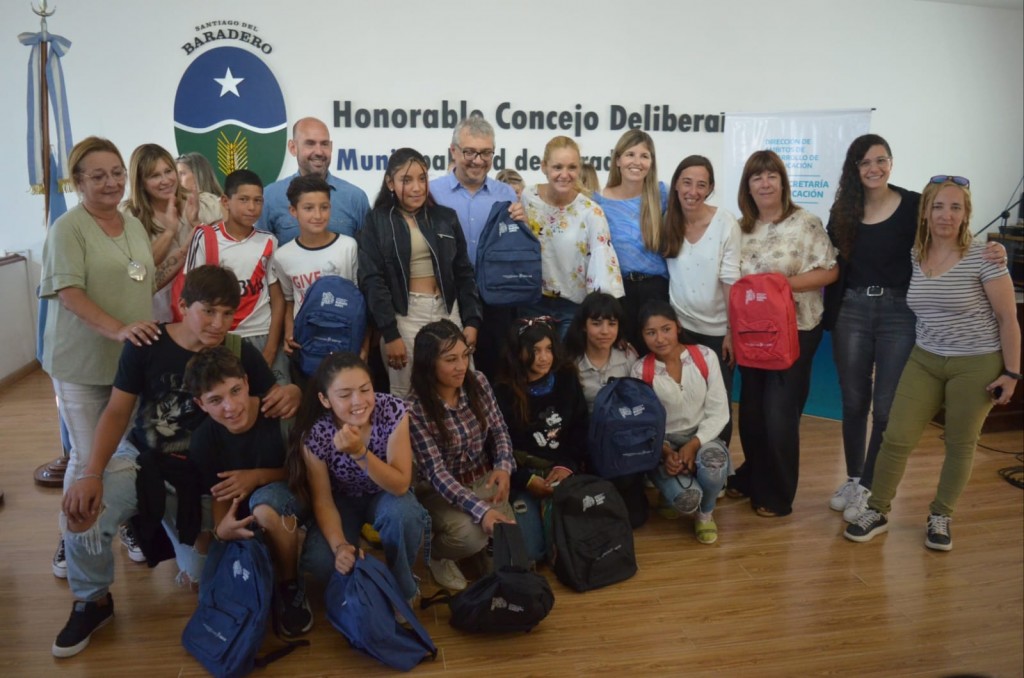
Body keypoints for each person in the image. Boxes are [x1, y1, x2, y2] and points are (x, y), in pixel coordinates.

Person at [52, 265, 300, 658]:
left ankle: (177, 536)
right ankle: (92, 601)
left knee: (204, 578)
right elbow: (117, 412)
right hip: (145, 461)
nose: (218, 324)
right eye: (208, 311)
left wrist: (294, 394)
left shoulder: (237, 351)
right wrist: (90, 473)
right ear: (183, 305)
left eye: (227, 313)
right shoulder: (146, 343)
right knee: (83, 512)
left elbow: (274, 400)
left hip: (207, 479)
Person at [825, 136, 1007, 521]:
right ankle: (854, 478)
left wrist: (994, 249)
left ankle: (872, 485)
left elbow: (947, 236)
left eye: (881, 160)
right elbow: (832, 262)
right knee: (854, 401)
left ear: (891, 163)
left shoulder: (912, 204)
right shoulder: (842, 210)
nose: (873, 168)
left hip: (899, 313)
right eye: (864, 162)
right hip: (853, 310)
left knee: (888, 408)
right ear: (854, 169)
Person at [40, 136, 160, 580]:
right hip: (83, 363)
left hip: (128, 365)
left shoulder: (130, 223)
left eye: (116, 174)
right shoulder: (67, 229)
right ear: (78, 181)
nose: (110, 183)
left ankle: (122, 523)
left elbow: (140, 278)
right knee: (90, 456)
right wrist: (119, 330)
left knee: (123, 453)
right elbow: (70, 295)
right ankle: (70, 535)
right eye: (98, 176)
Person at [728, 150, 838, 518]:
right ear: (748, 186)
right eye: (756, 177)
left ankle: (777, 495)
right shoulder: (740, 228)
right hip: (752, 335)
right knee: (752, 415)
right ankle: (753, 476)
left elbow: (829, 272)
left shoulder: (805, 223)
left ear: (782, 181)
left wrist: (780, 286)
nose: (764, 183)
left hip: (796, 332)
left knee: (779, 416)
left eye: (771, 175)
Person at [184, 346, 312, 639]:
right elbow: (221, 490)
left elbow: (308, 474)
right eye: (215, 400)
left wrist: (256, 477)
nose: (230, 407)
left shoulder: (280, 415)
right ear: (200, 404)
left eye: (235, 391)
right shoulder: (204, 439)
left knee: (264, 506)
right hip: (249, 512)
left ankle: (290, 585)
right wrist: (222, 527)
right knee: (208, 593)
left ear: (247, 382)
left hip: (293, 497)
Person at [288, 352, 429, 604]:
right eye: (344, 395)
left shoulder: (392, 410)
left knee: (405, 514)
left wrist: (359, 453)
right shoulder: (315, 433)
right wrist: (340, 546)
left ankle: (403, 586)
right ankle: (362, 587)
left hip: (384, 493)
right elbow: (323, 500)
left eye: (365, 389)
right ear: (325, 399)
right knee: (322, 562)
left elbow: (399, 485)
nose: (359, 401)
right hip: (342, 500)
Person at [358, 148, 482, 399]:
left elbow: (464, 273)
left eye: (422, 178)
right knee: (408, 393)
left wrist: (471, 321)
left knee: (461, 386)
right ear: (390, 183)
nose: (417, 187)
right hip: (405, 316)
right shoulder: (376, 221)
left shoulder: (445, 217)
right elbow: (372, 280)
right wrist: (390, 333)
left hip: (448, 311)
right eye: (407, 180)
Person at [408, 320, 516, 591]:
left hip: (482, 478)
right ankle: (437, 553)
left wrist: (503, 466)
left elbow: (499, 430)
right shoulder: (414, 408)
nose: (461, 366)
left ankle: (476, 547)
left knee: (509, 550)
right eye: (450, 359)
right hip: (439, 491)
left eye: (465, 356)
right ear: (428, 364)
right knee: (471, 536)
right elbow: (436, 474)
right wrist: (484, 513)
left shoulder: (478, 381)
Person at [431, 116, 523, 380]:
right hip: (447, 297)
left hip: (495, 298)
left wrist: (522, 226)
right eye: (470, 152)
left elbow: (514, 244)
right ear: (453, 151)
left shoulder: (506, 194)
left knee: (495, 372)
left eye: (486, 153)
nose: (478, 160)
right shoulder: (431, 192)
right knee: (446, 372)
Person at [631, 301, 731, 544]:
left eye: (666, 329)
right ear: (642, 336)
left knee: (714, 464)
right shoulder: (640, 370)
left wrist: (694, 445)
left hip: (702, 436)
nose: (660, 338)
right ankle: (670, 490)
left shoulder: (705, 356)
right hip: (662, 444)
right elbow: (643, 424)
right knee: (687, 500)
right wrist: (666, 452)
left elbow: (719, 411)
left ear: (678, 326)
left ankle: (705, 514)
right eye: (650, 332)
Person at [661, 155, 741, 446]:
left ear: (709, 189)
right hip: (680, 328)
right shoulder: (668, 219)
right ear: (676, 185)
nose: (692, 191)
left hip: (718, 332)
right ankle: (682, 465)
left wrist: (732, 331)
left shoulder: (725, 223)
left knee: (717, 406)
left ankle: (715, 467)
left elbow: (730, 281)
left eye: (701, 184)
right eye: (686, 182)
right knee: (683, 403)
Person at [493, 317, 587, 563]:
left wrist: (567, 465)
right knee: (533, 552)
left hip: (561, 469)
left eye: (548, 349)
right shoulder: (503, 391)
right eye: (534, 351)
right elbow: (498, 447)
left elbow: (580, 426)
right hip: (524, 475)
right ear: (518, 352)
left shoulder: (566, 377)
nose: (544, 357)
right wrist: (527, 479)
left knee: (572, 544)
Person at [184, 169, 287, 383]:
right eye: (244, 199)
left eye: (258, 201)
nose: (252, 207)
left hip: (262, 333)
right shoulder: (205, 236)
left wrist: (270, 348)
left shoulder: (269, 241)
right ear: (225, 201)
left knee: (277, 405)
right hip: (219, 336)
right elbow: (192, 293)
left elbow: (278, 299)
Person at [522, 136, 624, 335]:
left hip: (573, 308)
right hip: (531, 302)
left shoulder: (591, 212)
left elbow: (603, 269)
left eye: (572, 167)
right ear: (544, 166)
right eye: (557, 167)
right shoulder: (528, 197)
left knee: (567, 366)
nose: (565, 174)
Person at [124, 143, 223, 321]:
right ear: (140, 181)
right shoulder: (128, 216)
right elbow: (138, 274)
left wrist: (197, 224)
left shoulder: (206, 203)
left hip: (205, 317)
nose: (166, 180)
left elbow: (227, 251)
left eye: (169, 171)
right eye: (155, 175)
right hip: (157, 319)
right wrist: (169, 232)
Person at [271, 174, 361, 362]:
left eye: (324, 207)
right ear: (293, 211)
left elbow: (359, 301)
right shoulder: (282, 256)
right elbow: (289, 300)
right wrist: (289, 333)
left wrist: (364, 344)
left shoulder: (348, 246)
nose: (318, 215)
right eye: (308, 208)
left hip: (344, 340)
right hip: (306, 345)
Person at [593, 130, 668, 352]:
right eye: (630, 154)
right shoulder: (598, 201)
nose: (637, 162)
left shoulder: (662, 194)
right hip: (618, 293)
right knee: (622, 358)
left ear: (651, 162)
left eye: (644, 156)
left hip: (657, 291)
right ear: (617, 160)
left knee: (655, 359)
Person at [258, 117, 370, 245]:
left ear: (331, 147)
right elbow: (261, 256)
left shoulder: (355, 198)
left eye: (324, 144)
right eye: (310, 143)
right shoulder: (270, 197)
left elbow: (368, 255)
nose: (319, 151)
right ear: (293, 147)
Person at [564, 291, 638, 412]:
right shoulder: (570, 363)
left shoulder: (628, 357)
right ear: (584, 326)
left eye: (612, 324)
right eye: (596, 324)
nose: (605, 331)